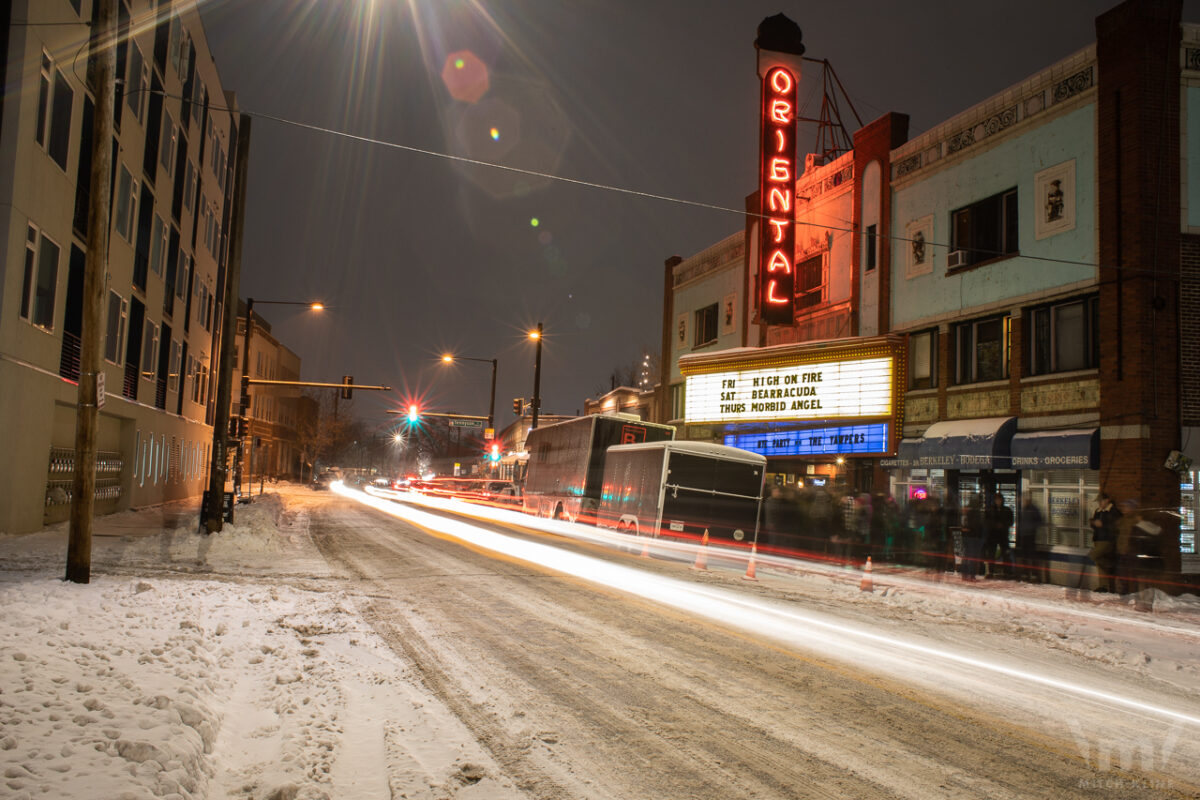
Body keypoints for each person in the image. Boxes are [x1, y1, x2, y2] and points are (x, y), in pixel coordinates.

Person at [1089, 492, 1121, 592]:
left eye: (1101, 501)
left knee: (1093, 555)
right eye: (1098, 501)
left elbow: (1116, 527)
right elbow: (1093, 523)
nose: (1099, 503)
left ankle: (1108, 581)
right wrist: (1094, 523)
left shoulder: (1114, 512)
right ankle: (1104, 586)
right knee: (1100, 562)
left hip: (1108, 540)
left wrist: (1102, 525)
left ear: (1107, 500)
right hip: (1098, 539)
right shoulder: (1098, 511)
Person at [984, 492, 1015, 579]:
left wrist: (1003, 525)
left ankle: (1007, 572)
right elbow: (986, 522)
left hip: (1003, 535)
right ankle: (991, 571)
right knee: (991, 554)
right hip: (992, 535)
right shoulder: (990, 510)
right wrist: (995, 525)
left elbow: (1011, 521)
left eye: (999, 500)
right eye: (997, 500)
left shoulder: (1007, 510)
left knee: (1005, 553)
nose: (998, 501)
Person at [1015, 495, 1043, 583]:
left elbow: (1039, 521)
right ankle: (1025, 573)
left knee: (1031, 555)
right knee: (1024, 555)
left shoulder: (1033, 509)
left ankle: (1034, 574)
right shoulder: (1022, 509)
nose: (1023, 501)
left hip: (1031, 535)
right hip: (1023, 535)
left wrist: (1031, 527)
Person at [960, 494, 986, 581]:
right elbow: (977, 525)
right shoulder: (976, 512)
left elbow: (963, 524)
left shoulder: (966, 510)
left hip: (967, 536)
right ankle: (971, 574)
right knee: (972, 556)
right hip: (974, 536)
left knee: (966, 555)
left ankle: (965, 573)